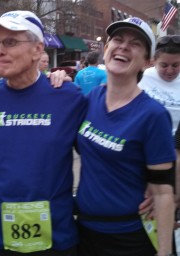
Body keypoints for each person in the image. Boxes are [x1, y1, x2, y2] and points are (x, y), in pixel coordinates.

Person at [0, 10, 87, 255]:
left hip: (55, 237)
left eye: (10, 42)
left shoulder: (69, 97)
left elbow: (98, 155)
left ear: (38, 50)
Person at [75, 17, 175, 256]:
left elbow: (162, 192)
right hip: (84, 230)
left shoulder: (153, 115)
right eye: (117, 40)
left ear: (146, 62)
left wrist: (164, 251)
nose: (123, 46)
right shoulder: (89, 100)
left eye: (135, 44)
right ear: (106, 49)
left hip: (128, 236)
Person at [138, 35, 180, 135]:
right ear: (154, 61)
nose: (170, 71)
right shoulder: (142, 76)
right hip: (145, 137)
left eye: (175, 65)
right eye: (164, 65)